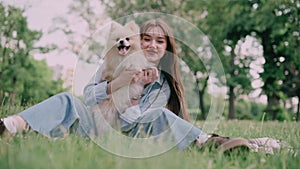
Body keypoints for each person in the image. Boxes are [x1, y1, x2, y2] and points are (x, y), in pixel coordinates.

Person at [0, 19, 285, 154]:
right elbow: (87, 96)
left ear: (166, 47)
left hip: (130, 137)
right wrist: (119, 82)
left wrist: (134, 95)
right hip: (97, 126)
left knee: (158, 116)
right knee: (66, 100)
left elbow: (135, 121)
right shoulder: (115, 61)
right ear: (137, 41)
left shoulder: (163, 84)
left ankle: (211, 144)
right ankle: (10, 125)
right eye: (146, 38)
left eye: (159, 41)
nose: (151, 44)